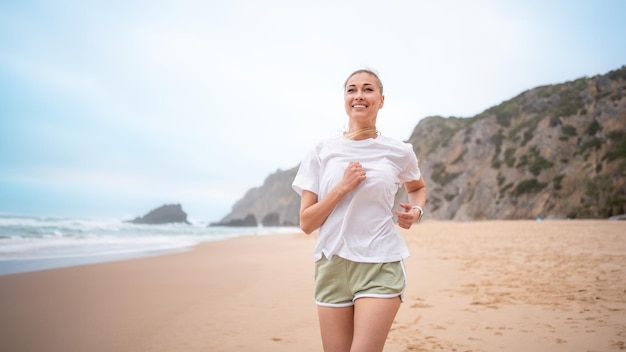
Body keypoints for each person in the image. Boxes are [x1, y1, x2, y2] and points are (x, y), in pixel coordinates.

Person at [292, 69, 427, 352]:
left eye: (368, 89)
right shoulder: (321, 151)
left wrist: (416, 211)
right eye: (351, 90)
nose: (359, 96)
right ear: (345, 99)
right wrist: (342, 187)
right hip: (332, 266)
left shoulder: (399, 151)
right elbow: (306, 223)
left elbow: (417, 187)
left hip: (380, 263)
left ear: (381, 99)